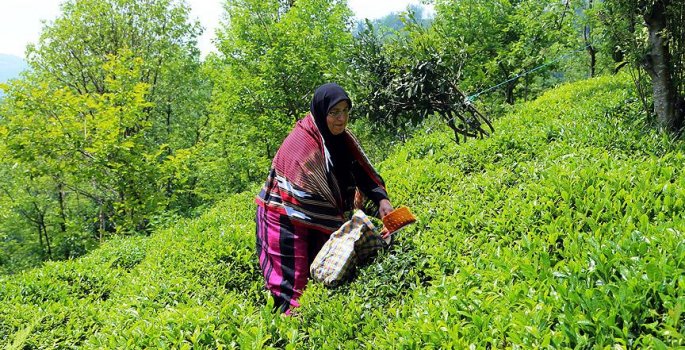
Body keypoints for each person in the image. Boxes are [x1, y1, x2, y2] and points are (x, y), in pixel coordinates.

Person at [255, 83, 393, 313]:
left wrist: (381, 199)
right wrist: (341, 225)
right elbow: (304, 192)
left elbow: (360, 171)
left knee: (325, 268)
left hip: (318, 212)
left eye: (345, 111)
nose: (341, 119)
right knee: (294, 282)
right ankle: (289, 327)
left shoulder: (342, 139)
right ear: (321, 112)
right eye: (334, 112)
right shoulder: (302, 145)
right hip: (283, 215)